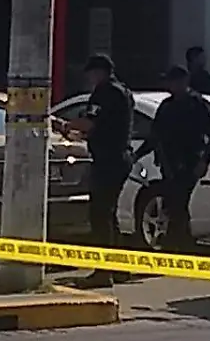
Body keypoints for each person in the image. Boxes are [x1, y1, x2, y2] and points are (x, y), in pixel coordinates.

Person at [133, 65, 210, 251]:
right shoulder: (166, 106)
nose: (170, 85)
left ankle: (180, 245)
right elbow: (155, 136)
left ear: (184, 81)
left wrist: (204, 160)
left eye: (174, 81)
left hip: (189, 162)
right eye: (169, 82)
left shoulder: (197, 104)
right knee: (174, 205)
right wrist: (136, 155)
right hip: (169, 163)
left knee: (178, 203)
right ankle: (179, 245)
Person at [67, 54, 134, 288]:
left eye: (92, 72)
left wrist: (66, 124)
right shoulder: (123, 91)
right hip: (119, 157)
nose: (90, 77)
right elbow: (104, 126)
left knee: (99, 215)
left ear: (101, 71)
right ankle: (119, 268)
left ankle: (103, 272)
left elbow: (90, 122)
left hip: (108, 159)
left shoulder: (105, 92)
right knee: (109, 214)